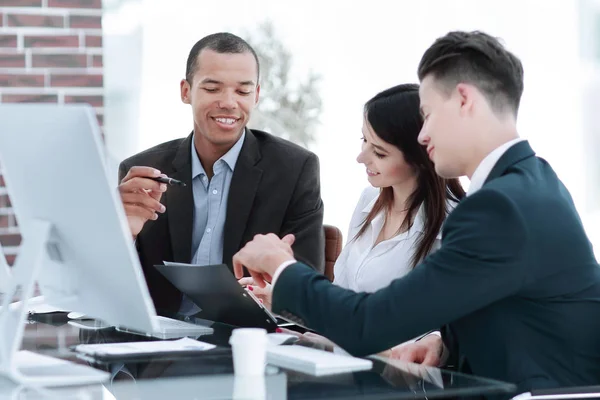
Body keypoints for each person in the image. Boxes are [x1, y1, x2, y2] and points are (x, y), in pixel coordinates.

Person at [231, 30, 600, 392]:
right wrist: (447, 343)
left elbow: (368, 324)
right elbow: (518, 309)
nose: (422, 136)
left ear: (464, 100)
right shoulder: (532, 182)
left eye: (427, 115)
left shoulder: (500, 207)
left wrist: (282, 266)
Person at [240, 84, 464, 358]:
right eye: (364, 141)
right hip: (345, 363)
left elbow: (429, 338)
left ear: (421, 156)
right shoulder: (368, 202)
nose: (361, 158)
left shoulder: (453, 224)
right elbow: (339, 303)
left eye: (379, 152)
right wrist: (279, 299)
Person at [117, 32, 324, 316]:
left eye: (242, 91)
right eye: (212, 89)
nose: (228, 102)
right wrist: (123, 233)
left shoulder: (295, 169)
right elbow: (109, 288)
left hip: (244, 341)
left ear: (257, 95)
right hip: (157, 346)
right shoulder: (142, 173)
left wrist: (278, 293)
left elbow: (308, 285)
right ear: (186, 91)